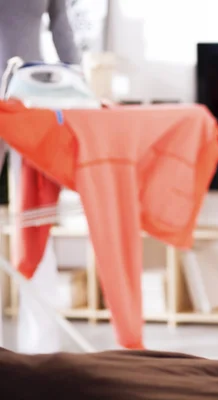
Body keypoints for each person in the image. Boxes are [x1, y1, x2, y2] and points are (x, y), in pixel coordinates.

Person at [0, 0, 80, 353]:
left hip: (30, 94)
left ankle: (40, 347)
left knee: (35, 218)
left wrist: (79, 82)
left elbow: (61, 24)